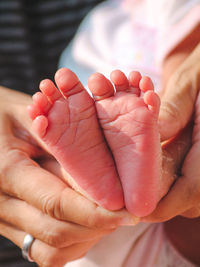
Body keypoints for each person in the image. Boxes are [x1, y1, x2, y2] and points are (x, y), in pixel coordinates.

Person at [0, 1, 199, 267]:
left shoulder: (103, 28)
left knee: (62, 159)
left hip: (92, 240)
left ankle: (98, 181)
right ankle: (151, 174)